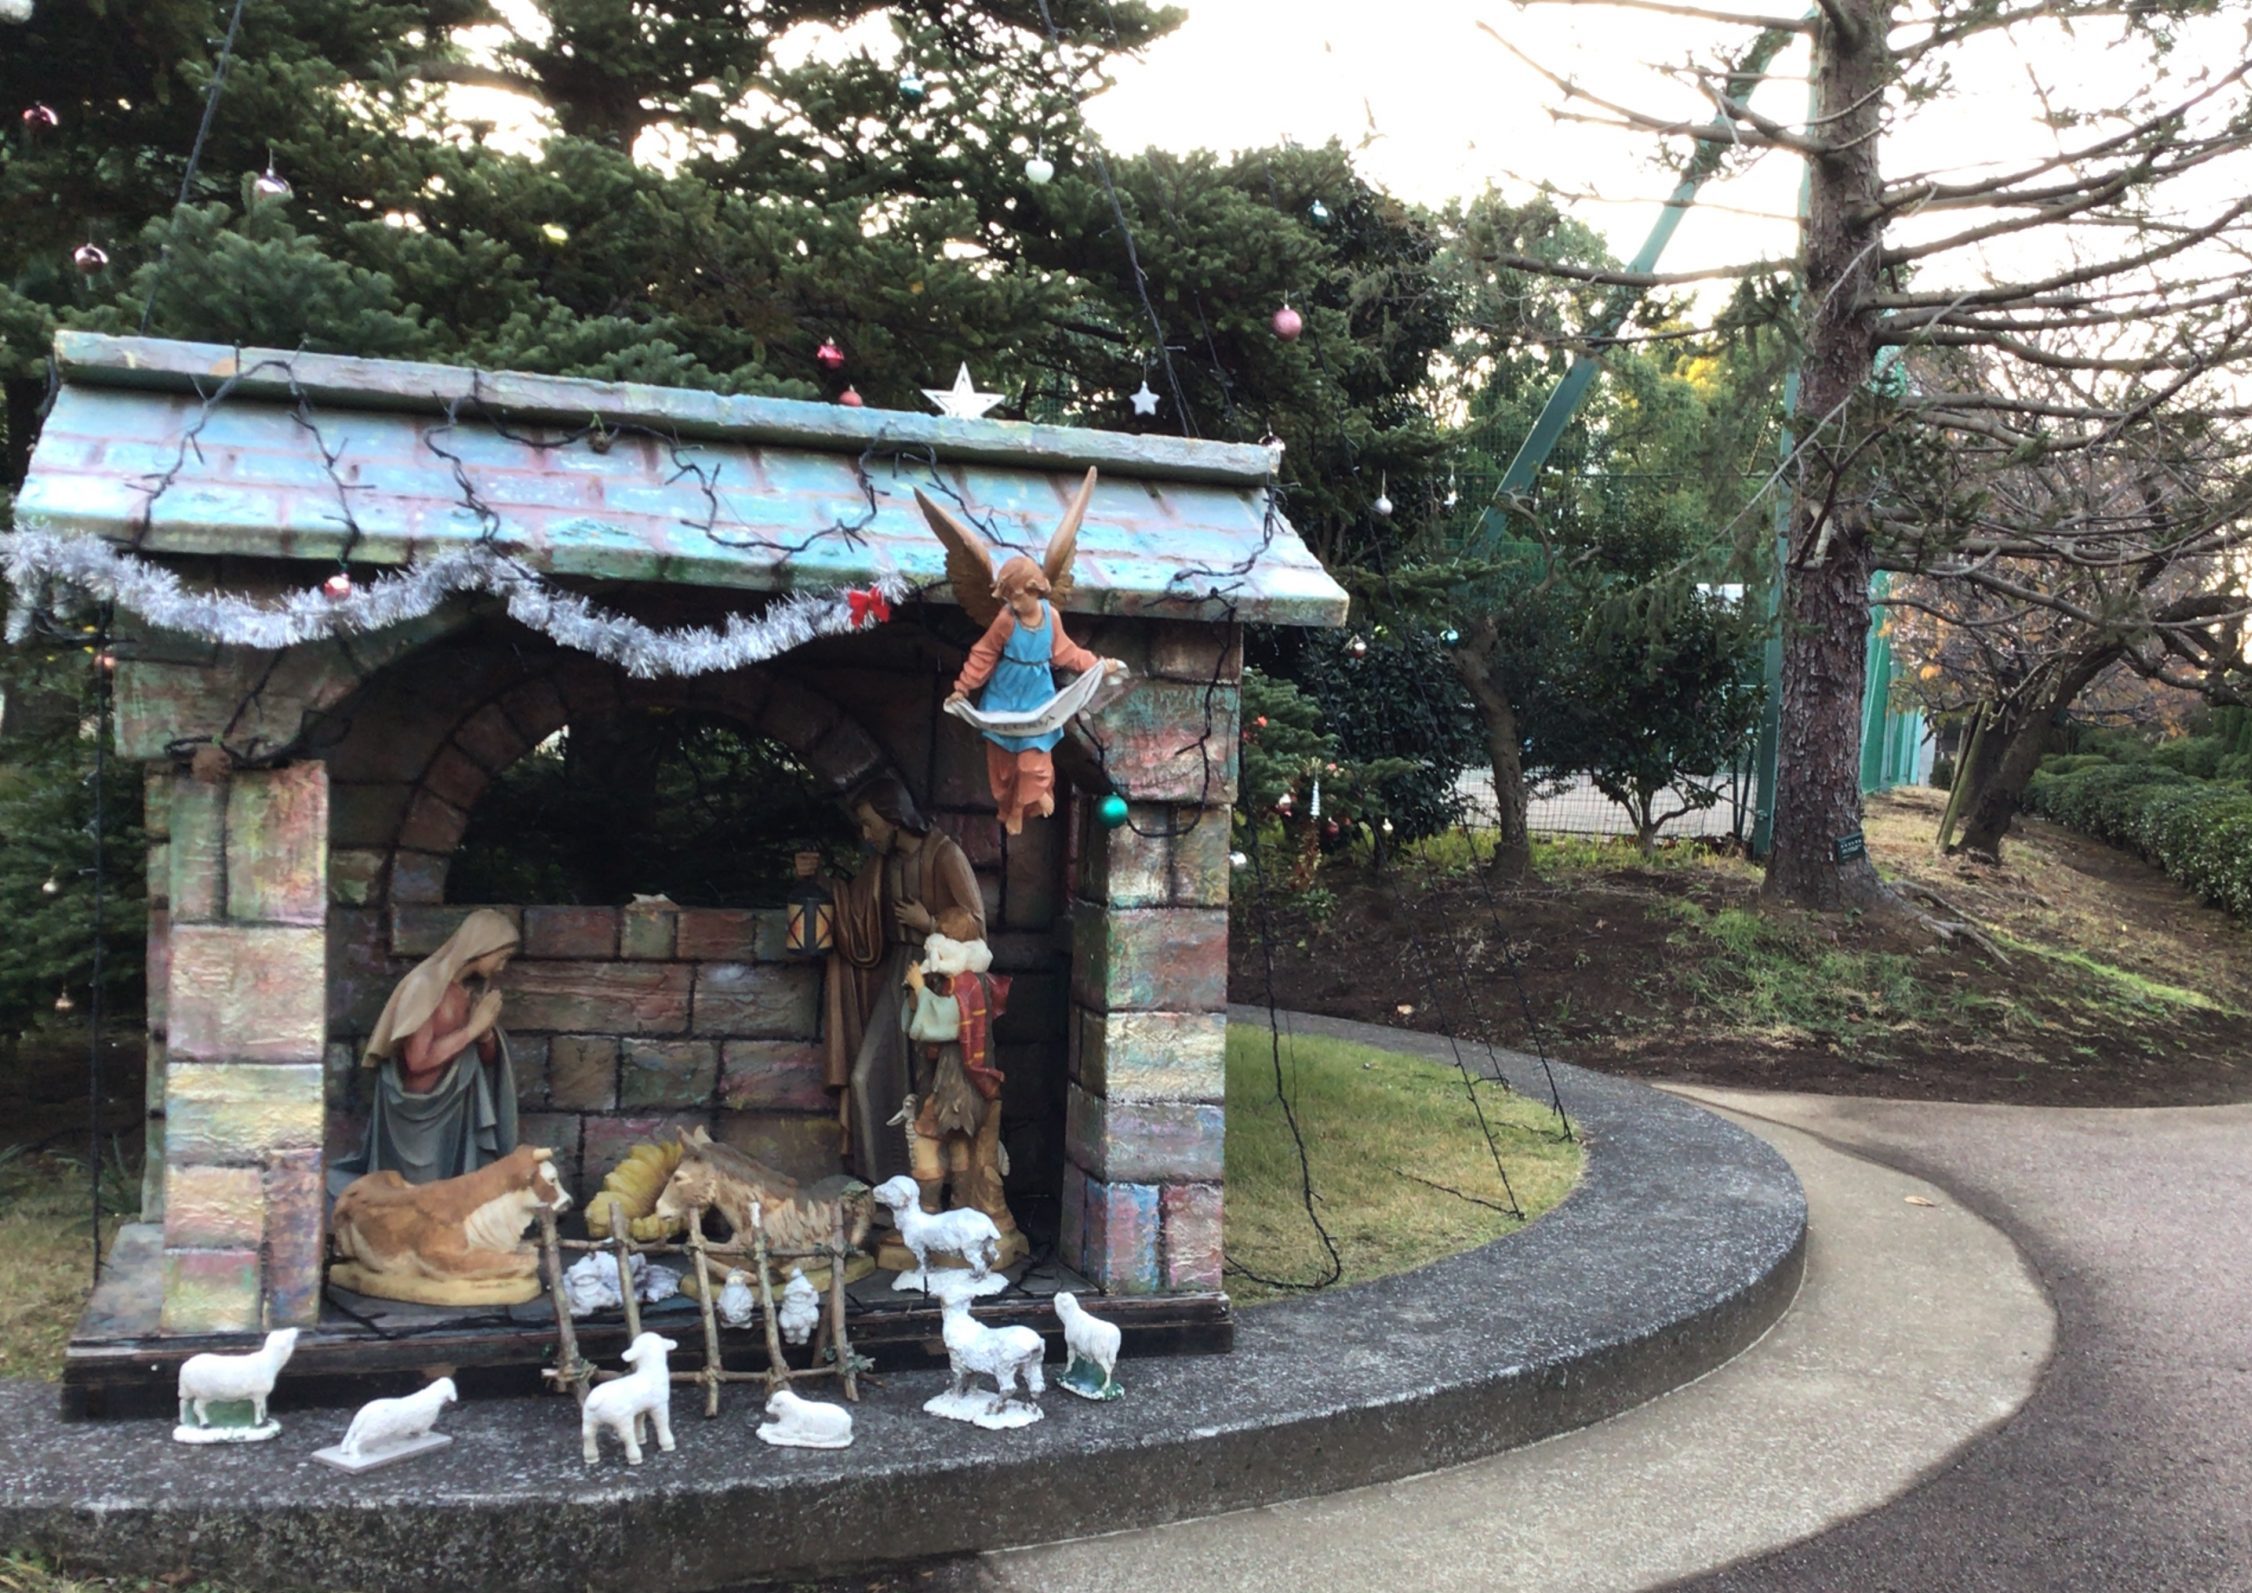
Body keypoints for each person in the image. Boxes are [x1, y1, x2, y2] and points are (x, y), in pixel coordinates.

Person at [821, 776, 986, 1181]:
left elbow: (977, 927)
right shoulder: (886, 863)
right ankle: (882, 1179)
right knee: (867, 1075)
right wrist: (816, 883)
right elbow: (854, 913)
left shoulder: (945, 855)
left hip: (936, 979)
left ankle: (929, 1183)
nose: (866, 834)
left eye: (869, 823)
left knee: (930, 1086)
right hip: (899, 971)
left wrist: (929, 923)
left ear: (894, 818)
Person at [330, 908, 521, 1197]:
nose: (502, 967)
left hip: (455, 1108)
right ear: (483, 946)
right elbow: (417, 1061)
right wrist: (472, 1029)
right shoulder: (426, 985)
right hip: (418, 1116)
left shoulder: (465, 992)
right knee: (416, 1196)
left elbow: (487, 1061)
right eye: (502, 956)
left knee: (449, 1194)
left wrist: (485, 1034)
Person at [946, 554, 1118, 835]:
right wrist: (963, 687)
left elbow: (1066, 652)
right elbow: (985, 652)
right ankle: (1013, 805)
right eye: (1009, 598)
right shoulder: (1006, 620)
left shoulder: (1051, 617)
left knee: (1034, 756)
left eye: (1018, 597)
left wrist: (1096, 665)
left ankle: (1024, 803)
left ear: (1035, 589)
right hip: (1006, 692)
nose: (1013, 605)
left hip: (1037, 695)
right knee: (1004, 764)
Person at [900, 932, 1020, 1257]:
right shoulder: (950, 981)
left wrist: (921, 989)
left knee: (953, 1145)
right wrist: (917, 991)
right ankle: (931, 1219)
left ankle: (953, 1216)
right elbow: (918, 1021)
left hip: (959, 1083)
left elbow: (947, 1018)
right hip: (940, 1079)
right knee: (934, 1146)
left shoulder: (969, 984)